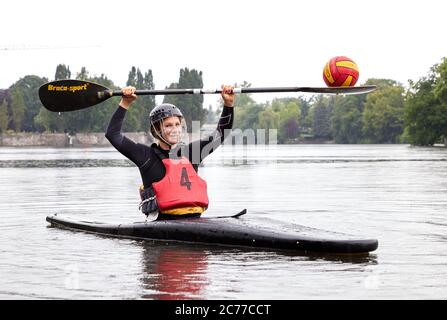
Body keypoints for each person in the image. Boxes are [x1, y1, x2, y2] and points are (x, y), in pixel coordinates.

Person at [105, 85, 235, 220]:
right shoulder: (145, 156)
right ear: (156, 130)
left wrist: (228, 104)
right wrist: (125, 103)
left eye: (177, 124)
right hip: (161, 224)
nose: (175, 130)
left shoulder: (192, 153)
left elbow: (221, 133)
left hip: (195, 221)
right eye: (168, 125)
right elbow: (113, 135)